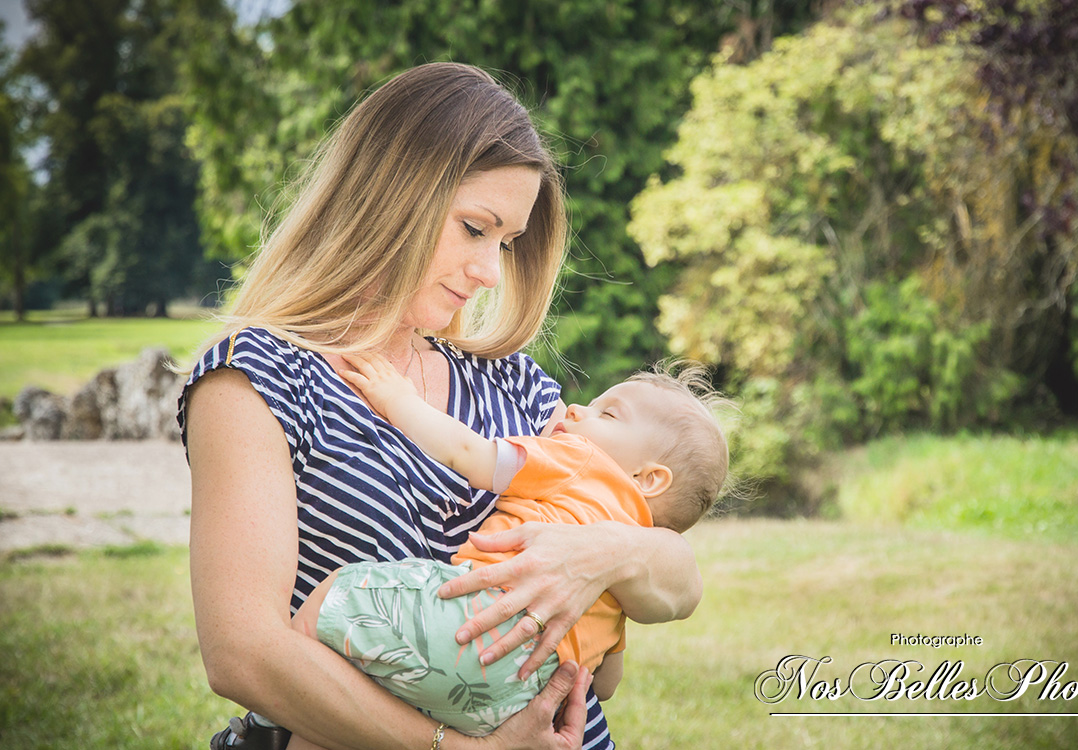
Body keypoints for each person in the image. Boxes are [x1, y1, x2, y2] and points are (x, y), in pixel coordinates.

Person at [179, 62, 704, 750]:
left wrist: (604, 555)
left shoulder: (514, 385)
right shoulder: (256, 378)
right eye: (474, 228)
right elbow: (244, 653)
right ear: (392, 196)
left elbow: (678, 579)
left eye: (506, 243)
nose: (490, 271)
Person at [285, 355, 728, 743]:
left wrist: (396, 398)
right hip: (517, 702)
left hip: (471, 625)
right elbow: (607, 683)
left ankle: (275, 708)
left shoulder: (579, 461)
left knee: (333, 598)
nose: (575, 409)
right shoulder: (621, 580)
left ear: (648, 478)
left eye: (607, 415)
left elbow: (468, 453)